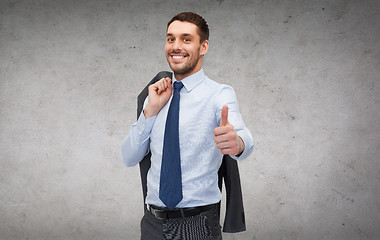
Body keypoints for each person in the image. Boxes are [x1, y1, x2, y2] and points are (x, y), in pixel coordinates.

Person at [121, 12, 254, 240]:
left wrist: (237, 143)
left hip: (198, 225)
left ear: (203, 47)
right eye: (171, 38)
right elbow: (129, 157)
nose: (176, 46)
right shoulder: (155, 95)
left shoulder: (218, 94)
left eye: (186, 39)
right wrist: (150, 111)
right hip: (152, 223)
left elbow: (243, 137)